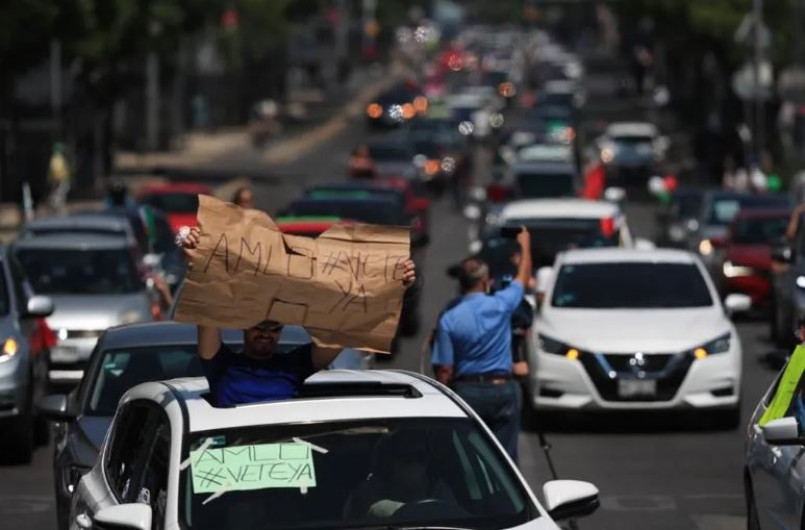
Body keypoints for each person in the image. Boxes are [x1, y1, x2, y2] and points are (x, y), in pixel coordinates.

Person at [179, 227, 417, 406]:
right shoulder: (222, 365)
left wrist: (393, 286)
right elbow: (207, 316)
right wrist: (199, 263)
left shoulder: (293, 365)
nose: (266, 334)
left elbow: (344, 332)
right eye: (259, 327)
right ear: (244, 326)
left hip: (284, 466)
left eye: (274, 329)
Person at [431, 227, 532, 462]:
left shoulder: (449, 317)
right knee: (505, 459)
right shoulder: (500, 304)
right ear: (487, 282)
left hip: (468, 392)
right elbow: (522, 279)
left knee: (469, 457)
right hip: (500, 388)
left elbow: (445, 370)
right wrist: (525, 245)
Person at [47, 142, 71, 214]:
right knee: (58, 198)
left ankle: (60, 214)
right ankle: (60, 213)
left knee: (57, 199)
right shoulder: (58, 158)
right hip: (60, 181)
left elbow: (57, 171)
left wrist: (57, 181)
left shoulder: (56, 158)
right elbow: (57, 170)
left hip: (59, 182)